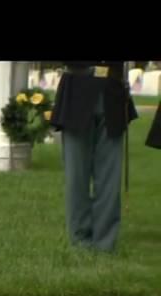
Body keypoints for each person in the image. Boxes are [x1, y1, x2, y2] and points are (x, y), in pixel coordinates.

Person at [50, 61, 138, 252]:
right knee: (77, 176)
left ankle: (105, 242)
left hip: (111, 90)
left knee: (109, 177)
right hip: (78, 87)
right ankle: (80, 239)